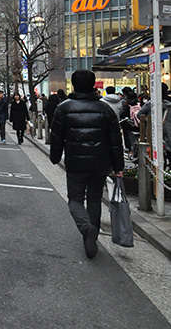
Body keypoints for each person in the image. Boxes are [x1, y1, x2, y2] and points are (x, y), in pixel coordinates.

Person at [50, 70, 124, 259]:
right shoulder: (105, 109)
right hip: (100, 162)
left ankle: (86, 229)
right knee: (94, 199)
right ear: (93, 85)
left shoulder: (64, 108)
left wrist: (55, 156)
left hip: (75, 162)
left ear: (73, 85)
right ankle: (92, 237)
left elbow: (56, 137)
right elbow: (116, 141)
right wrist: (118, 166)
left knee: (75, 199)